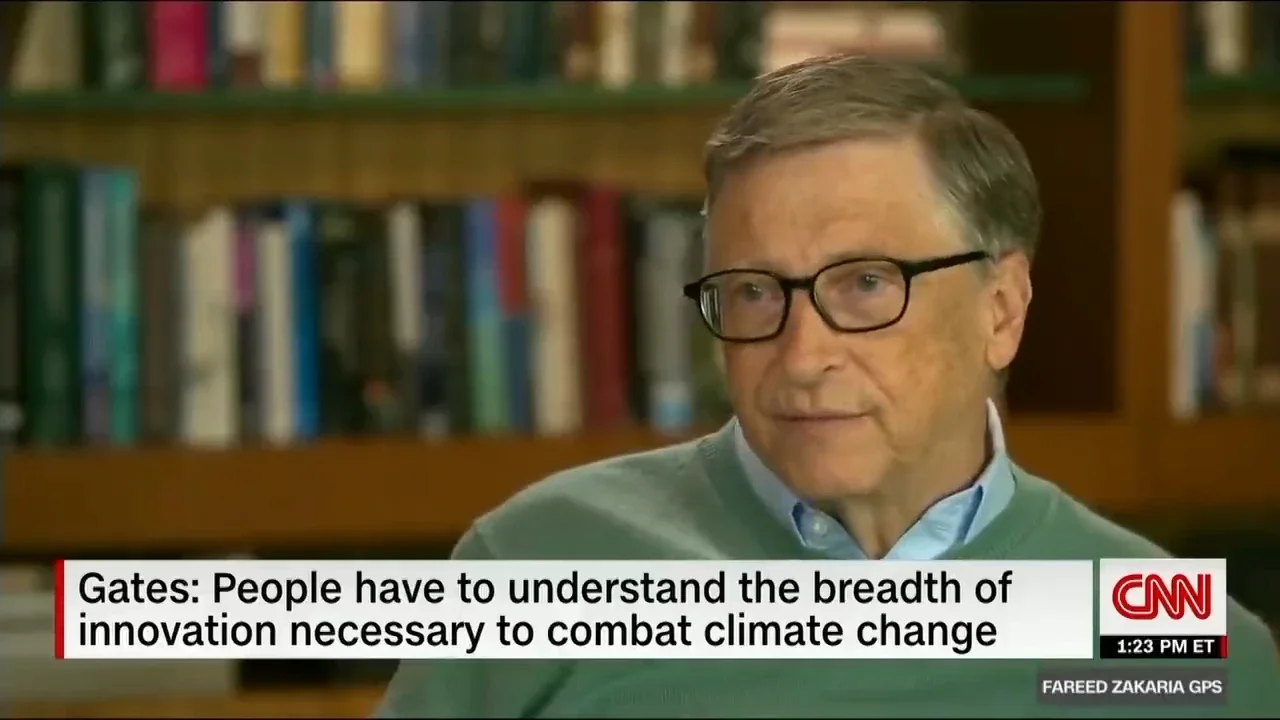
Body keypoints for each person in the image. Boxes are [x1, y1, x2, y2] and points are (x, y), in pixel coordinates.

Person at [377, 54, 1279, 717]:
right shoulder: (536, 563)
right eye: (754, 291)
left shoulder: (1176, 643)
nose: (803, 356)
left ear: (1001, 310)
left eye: (866, 284)